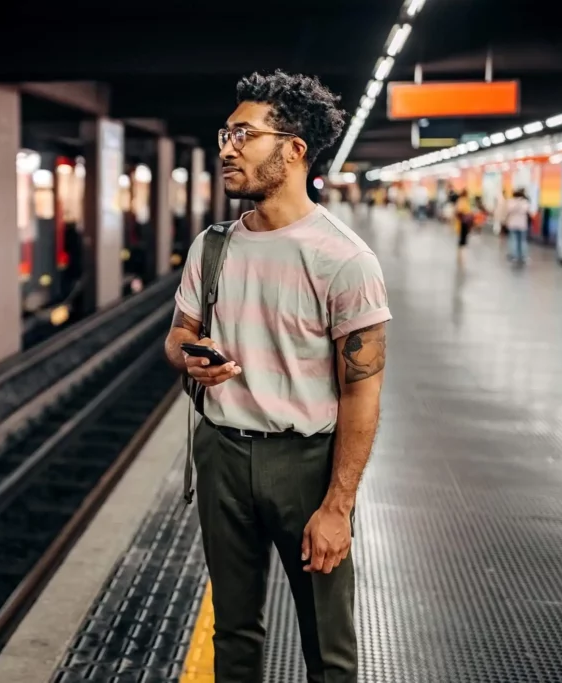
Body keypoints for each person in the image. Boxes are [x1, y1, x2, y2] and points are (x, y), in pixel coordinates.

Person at [164, 70, 391, 683]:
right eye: (226, 133)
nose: (226, 147)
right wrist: (189, 356)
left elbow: (362, 388)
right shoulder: (211, 247)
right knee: (233, 632)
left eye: (244, 134)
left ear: (293, 150)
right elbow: (178, 335)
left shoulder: (343, 258)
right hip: (221, 455)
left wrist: (338, 506)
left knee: (328, 647)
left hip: (306, 466)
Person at [504, 189, 532, 263]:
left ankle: (514, 256)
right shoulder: (525, 202)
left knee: (513, 240)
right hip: (522, 225)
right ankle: (523, 256)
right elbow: (527, 211)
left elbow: (508, 211)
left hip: (512, 224)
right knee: (522, 241)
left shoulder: (510, 202)